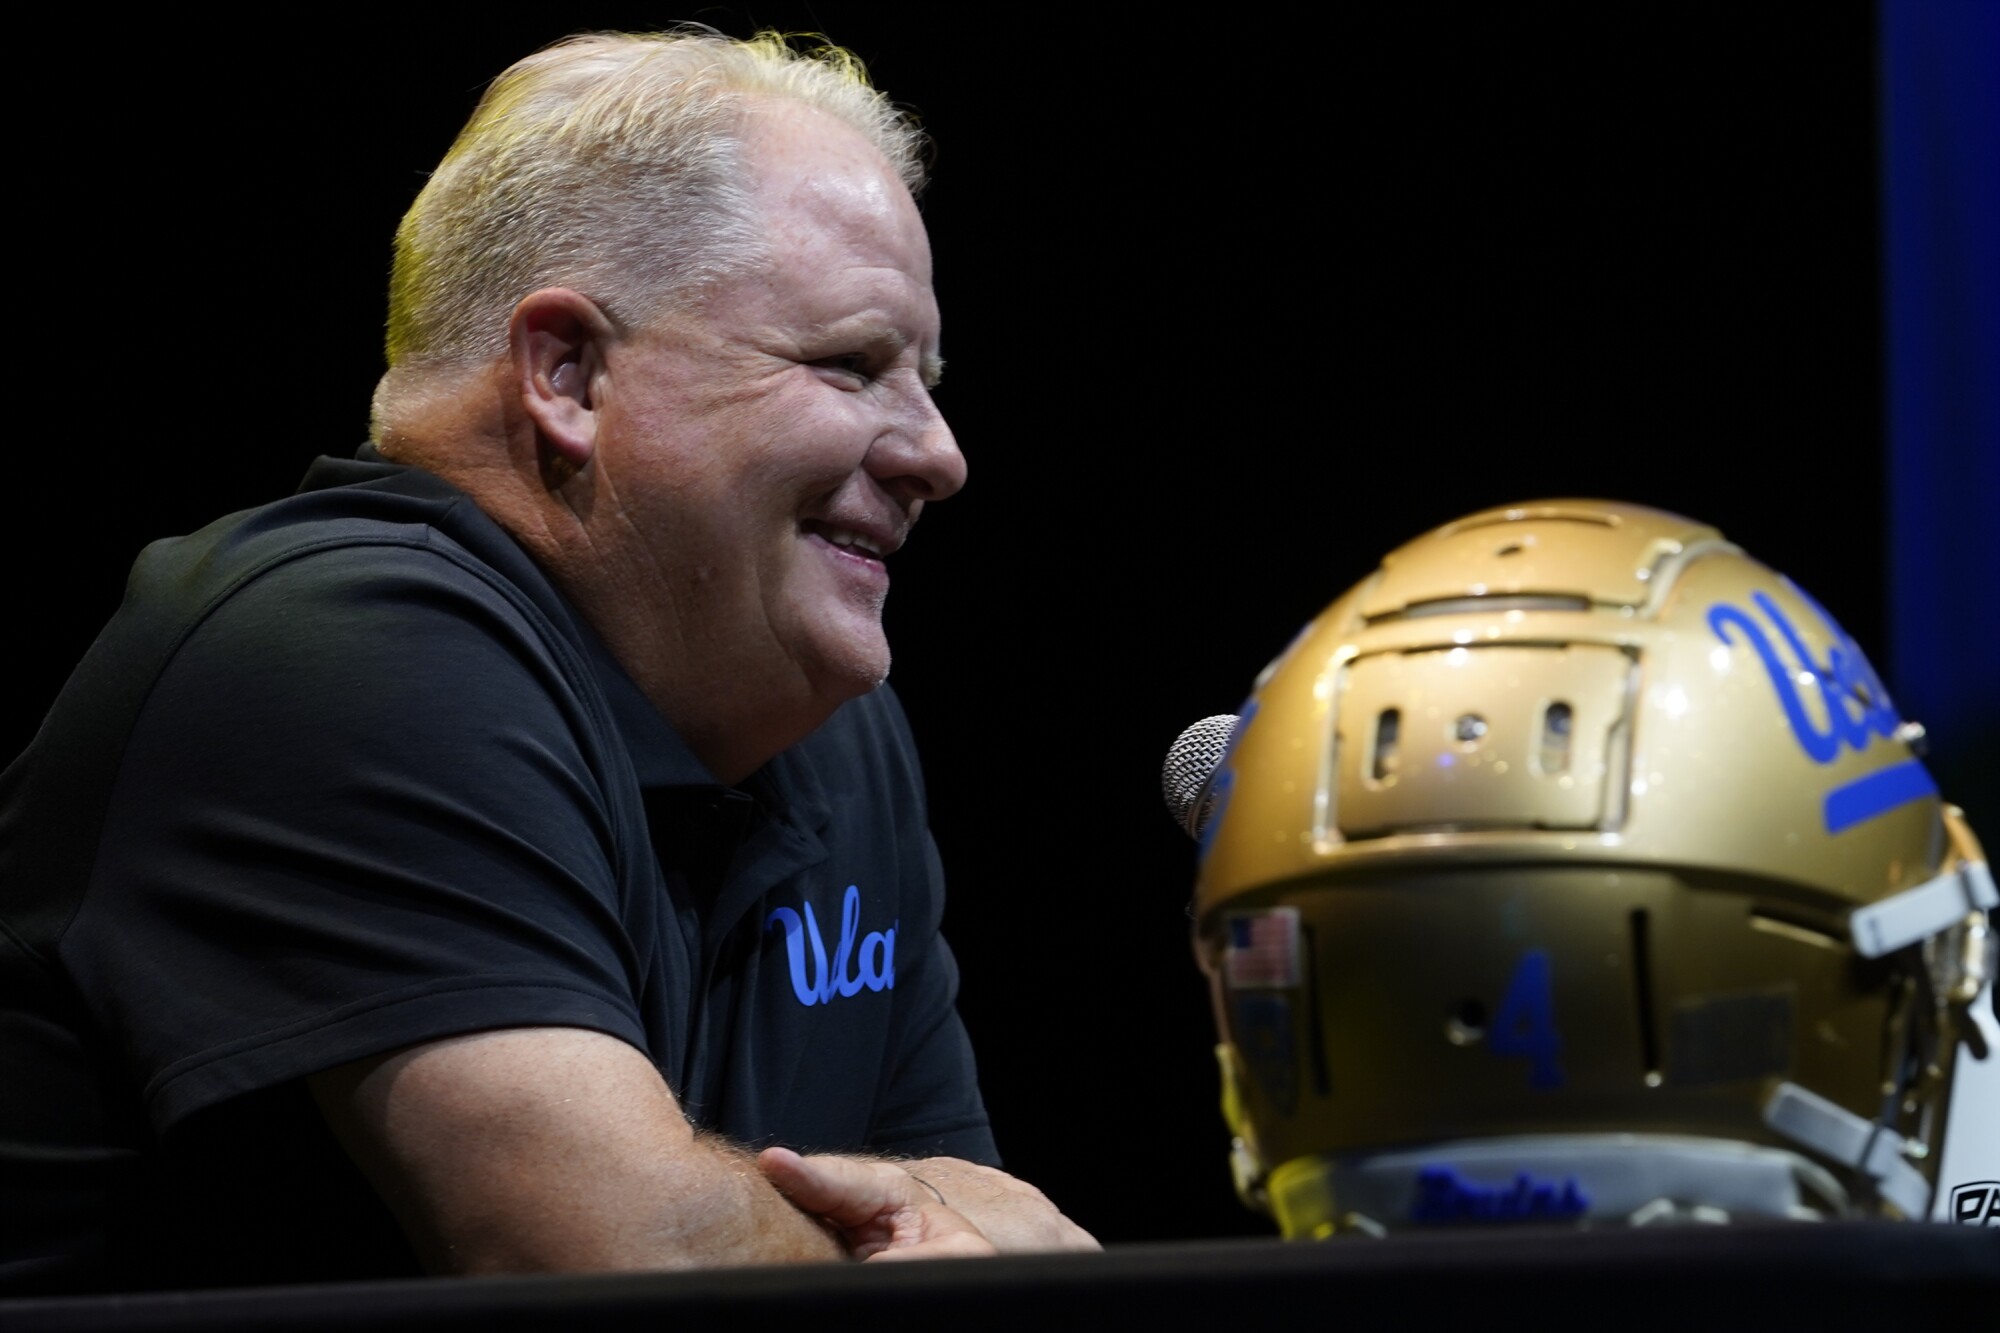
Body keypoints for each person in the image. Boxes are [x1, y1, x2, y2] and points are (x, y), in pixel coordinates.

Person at [0, 30, 1094, 1291]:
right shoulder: (338, 652)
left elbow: (994, 1256)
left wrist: (942, 1231)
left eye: (928, 379)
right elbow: (616, 1267)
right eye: (850, 364)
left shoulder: (835, 741)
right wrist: (927, 1231)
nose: (938, 454)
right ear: (567, 373)